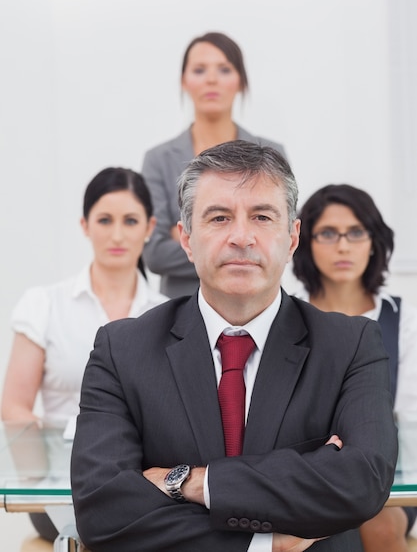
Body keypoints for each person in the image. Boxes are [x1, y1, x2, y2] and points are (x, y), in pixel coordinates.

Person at [71, 141, 397, 552]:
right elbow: (103, 511)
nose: (241, 237)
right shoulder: (121, 350)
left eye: (262, 217)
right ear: (186, 239)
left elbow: (362, 481)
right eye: (219, 217)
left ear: (292, 237)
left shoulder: (351, 345)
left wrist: (192, 481)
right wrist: (265, 543)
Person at [1, 166, 168, 541]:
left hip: (147, 489)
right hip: (62, 491)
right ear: (84, 225)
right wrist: (41, 477)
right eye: (105, 220)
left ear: (149, 226)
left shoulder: (170, 313)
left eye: (130, 220)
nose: (117, 234)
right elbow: (14, 407)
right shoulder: (44, 304)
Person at [292, 183, 417, 552]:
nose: (343, 246)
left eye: (356, 233)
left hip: (386, 473)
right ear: (305, 241)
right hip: (304, 469)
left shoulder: (401, 316)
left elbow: (410, 416)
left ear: (374, 240)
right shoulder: (288, 314)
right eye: (328, 233)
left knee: (380, 525)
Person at [141, 31, 287, 298]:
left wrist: (201, 239)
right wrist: (241, 248)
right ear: (184, 81)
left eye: (224, 69)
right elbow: (155, 254)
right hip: (181, 309)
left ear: (241, 81)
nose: (211, 79)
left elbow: (278, 240)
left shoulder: (271, 154)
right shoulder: (159, 159)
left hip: (255, 304)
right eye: (199, 70)